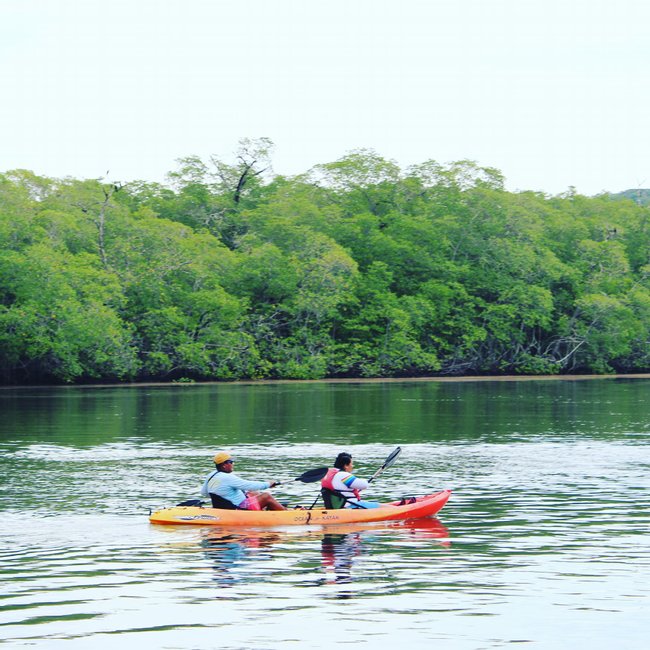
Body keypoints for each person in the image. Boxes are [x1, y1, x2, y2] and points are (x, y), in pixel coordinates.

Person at [201, 452, 286, 511]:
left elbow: (204, 493)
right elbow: (248, 485)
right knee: (266, 496)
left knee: (252, 493)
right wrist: (268, 484)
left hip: (223, 506)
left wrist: (223, 494)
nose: (233, 464)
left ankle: (267, 510)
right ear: (224, 465)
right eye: (231, 462)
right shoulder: (227, 477)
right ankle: (286, 514)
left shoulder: (211, 475)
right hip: (238, 508)